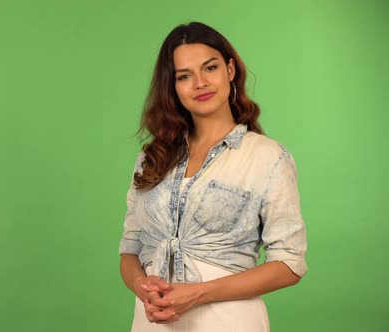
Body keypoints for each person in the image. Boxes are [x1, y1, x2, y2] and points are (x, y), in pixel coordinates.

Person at [118, 22, 308, 331]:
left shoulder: (267, 157)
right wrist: (142, 287)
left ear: (230, 70)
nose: (200, 83)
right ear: (173, 86)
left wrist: (198, 293)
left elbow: (289, 264)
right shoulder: (153, 157)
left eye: (210, 68)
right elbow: (130, 250)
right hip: (153, 321)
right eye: (184, 76)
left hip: (228, 321)